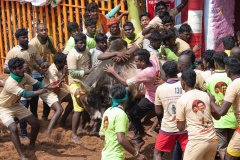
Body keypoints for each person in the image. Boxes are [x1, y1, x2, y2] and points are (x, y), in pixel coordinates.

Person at [104, 49, 160, 152]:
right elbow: (154, 55)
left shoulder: (146, 72)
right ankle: (140, 137)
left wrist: (113, 72)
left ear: (143, 62)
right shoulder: (152, 59)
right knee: (133, 114)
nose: (135, 63)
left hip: (158, 101)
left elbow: (125, 83)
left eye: (136, 61)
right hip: (149, 97)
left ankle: (161, 151)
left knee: (165, 127)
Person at [4, 28, 49, 142]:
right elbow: (5, 68)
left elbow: (38, 61)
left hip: (30, 81)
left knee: (33, 108)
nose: (26, 39)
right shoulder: (13, 52)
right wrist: (19, 70)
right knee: (23, 107)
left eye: (26, 37)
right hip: (19, 85)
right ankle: (23, 133)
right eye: (23, 37)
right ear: (17, 39)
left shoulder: (33, 48)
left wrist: (43, 64)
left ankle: (33, 127)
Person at [0, 57, 49, 160]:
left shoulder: (24, 76)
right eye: (20, 68)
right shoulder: (10, 83)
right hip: (4, 108)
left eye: (23, 66)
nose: (24, 68)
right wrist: (42, 91)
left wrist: (49, 86)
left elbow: (38, 83)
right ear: (13, 70)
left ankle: (31, 145)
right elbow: (25, 94)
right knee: (13, 128)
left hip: (16, 105)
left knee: (36, 124)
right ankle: (22, 156)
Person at [176, 69, 220, 160]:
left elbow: (181, 128)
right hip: (213, 140)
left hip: (197, 141)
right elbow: (217, 116)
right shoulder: (206, 95)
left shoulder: (182, 100)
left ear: (183, 83)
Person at [100, 84, 146, 160]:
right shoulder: (121, 114)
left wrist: (129, 142)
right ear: (126, 98)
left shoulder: (107, 112)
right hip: (115, 156)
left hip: (106, 155)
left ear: (111, 97)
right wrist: (136, 154)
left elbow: (102, 134)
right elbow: (121, 139)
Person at [206, 52, 238, 160]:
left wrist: (211, 102)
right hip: (234, 120)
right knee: (234, 150)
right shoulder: (232, 80)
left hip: (220, 121)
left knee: (223, 149)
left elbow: (218, 109)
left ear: (215, 63)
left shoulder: (210, 79)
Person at [154, 61, 188, 160]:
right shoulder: (184, 85)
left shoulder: (160, 88)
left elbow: (158, 111)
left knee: (157, 153)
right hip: (185, 127)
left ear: (165, 73)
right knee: (187, 153)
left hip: (168, 127)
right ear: (177, 71)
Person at [67, 33, 95, 144]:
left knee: (86, 105)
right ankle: (73, 134)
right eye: (80, 43)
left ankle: (81, 126)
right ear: (76, 43)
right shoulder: (72, 55)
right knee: (78, 108)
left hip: (86, 82)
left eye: (84, 42)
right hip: (75, 84)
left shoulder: (86, 49)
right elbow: (72, 73)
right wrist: (88, 71)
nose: (83, 45)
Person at [40, 53, 74, 138]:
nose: (66, 63)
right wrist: (64, 74)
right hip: (48, 91)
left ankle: (62, 121)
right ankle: (48, 133)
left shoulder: (61, 67)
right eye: (64, 62)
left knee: (73, 99)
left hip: (57, 90)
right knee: (59, 109)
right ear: (58, 63)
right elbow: (55, 84)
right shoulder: (52, 70)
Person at [29, 23, 56, 121]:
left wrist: (59, 57)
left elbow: (53, 50)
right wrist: (39, 68)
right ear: (37, 32)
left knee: (47, 93)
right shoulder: (33, 43)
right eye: (41, 30)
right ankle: (34, 116)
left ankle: (45, 116)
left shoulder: (50, 39)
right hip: (35, 72)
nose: (44, 32)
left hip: (46, 72)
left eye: (45, 30)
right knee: (35, 96)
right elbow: (31, 60)